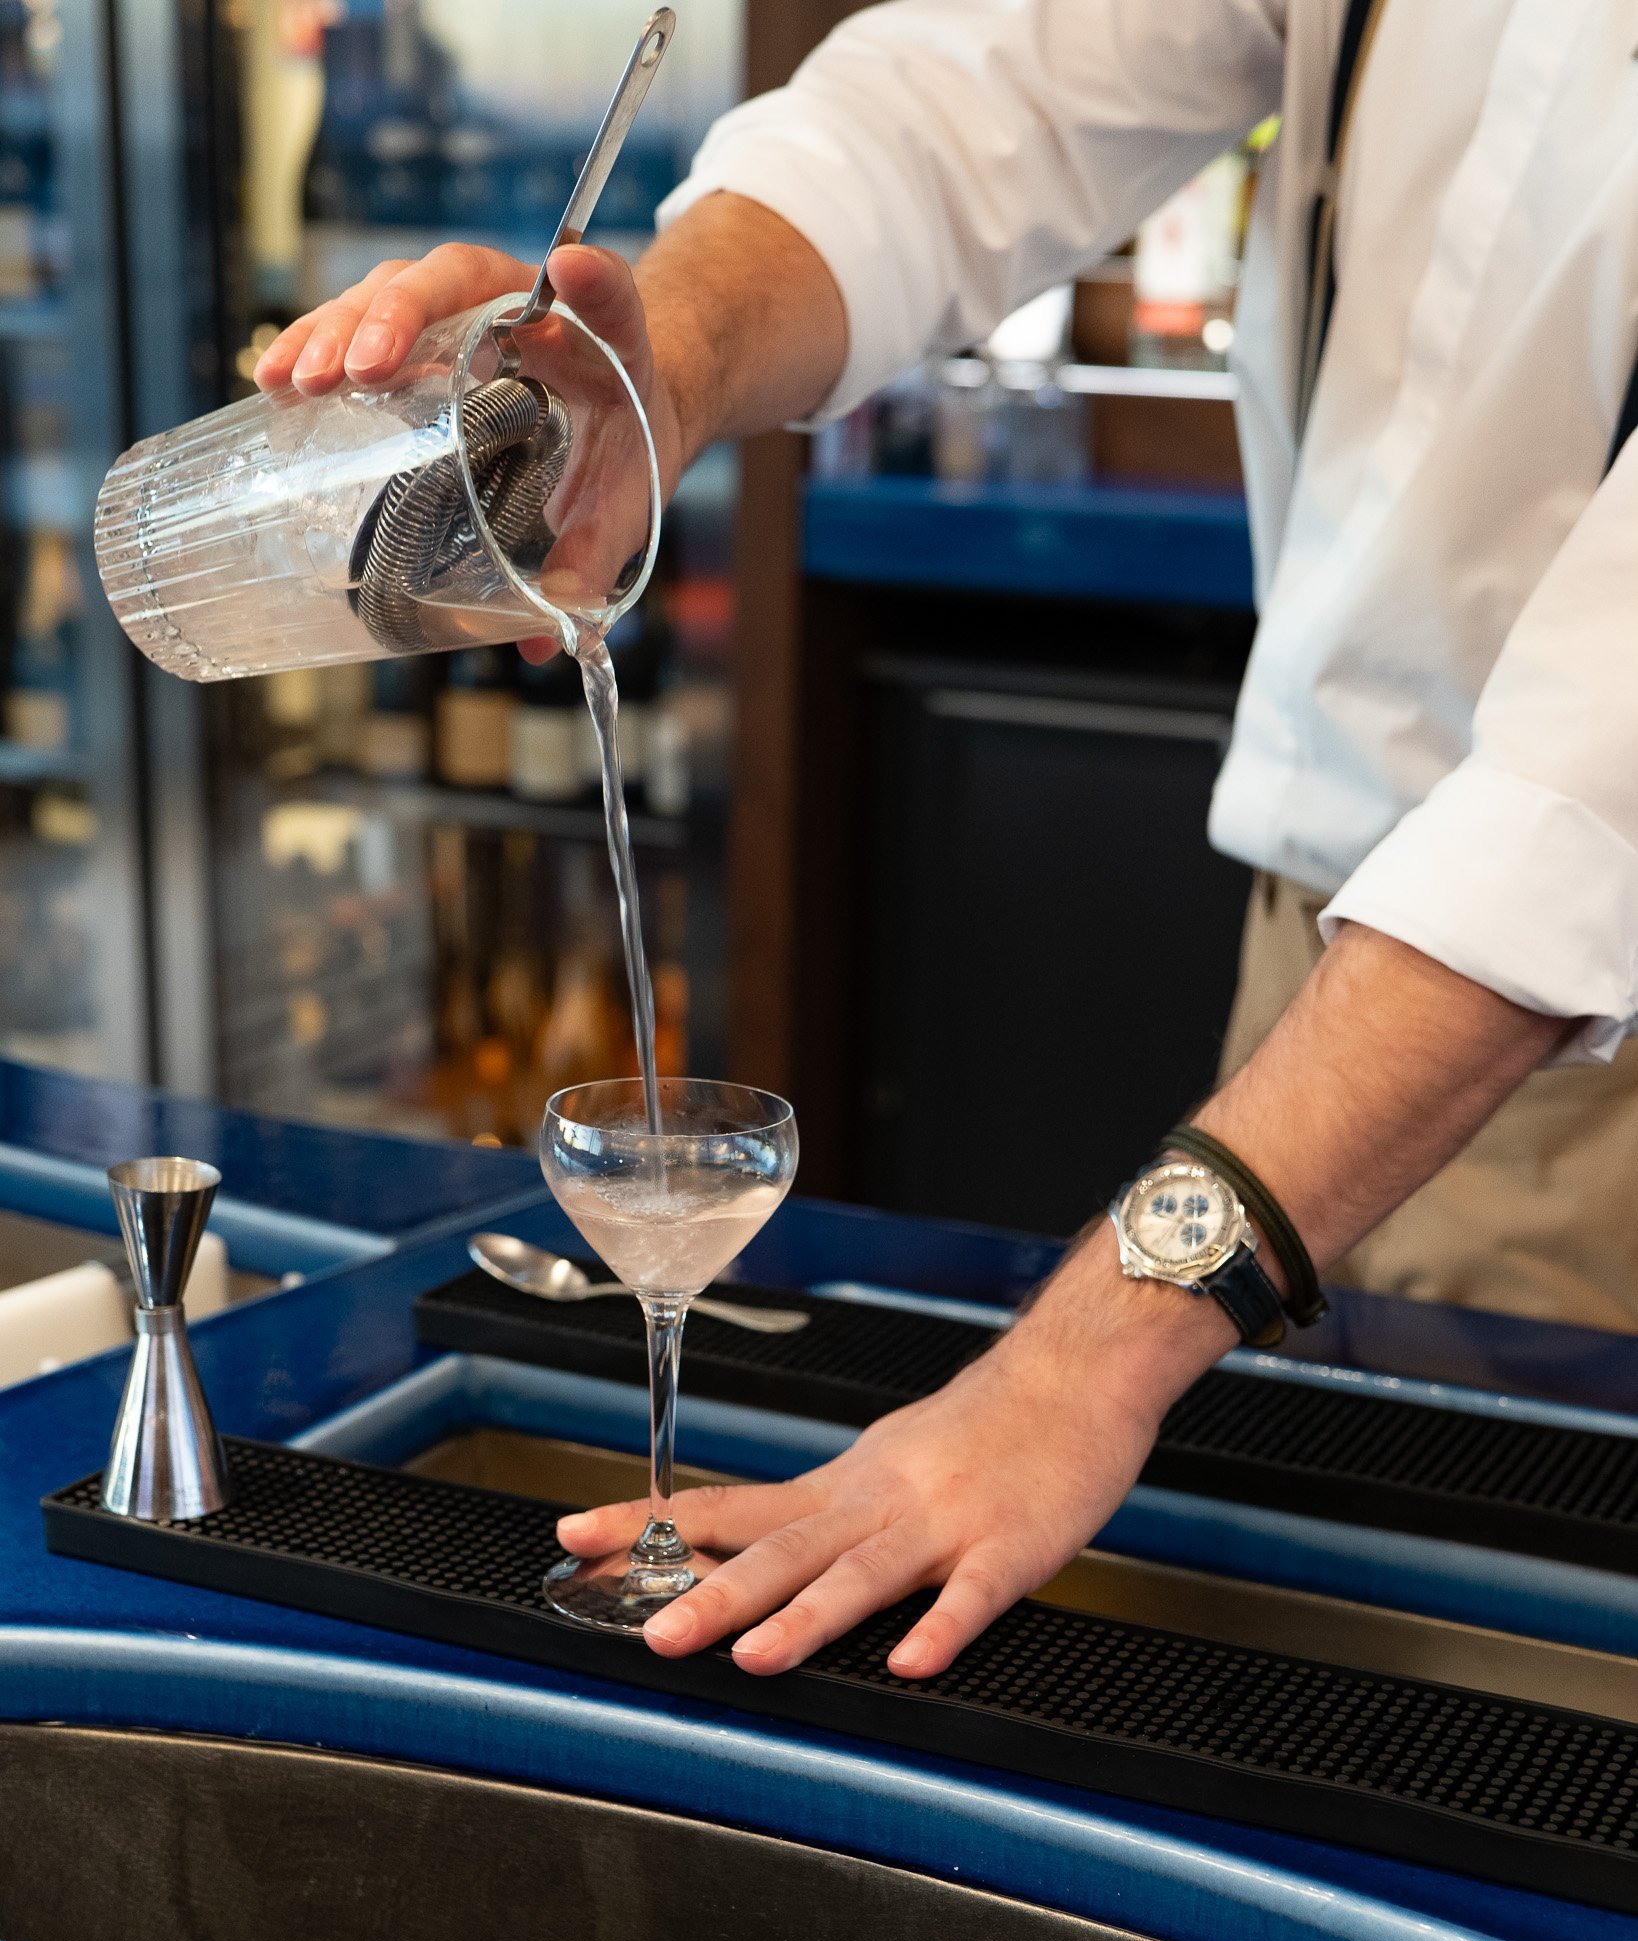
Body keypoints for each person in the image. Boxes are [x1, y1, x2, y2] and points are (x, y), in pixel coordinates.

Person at [258, 0, 1638, 1683]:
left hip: (1582, 1034)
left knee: (1506, 1707)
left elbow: (1591, 790)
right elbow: (978, 102)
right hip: (1323, 969)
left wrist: (1072, 1367)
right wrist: (656, 359)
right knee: (1262, 1654)